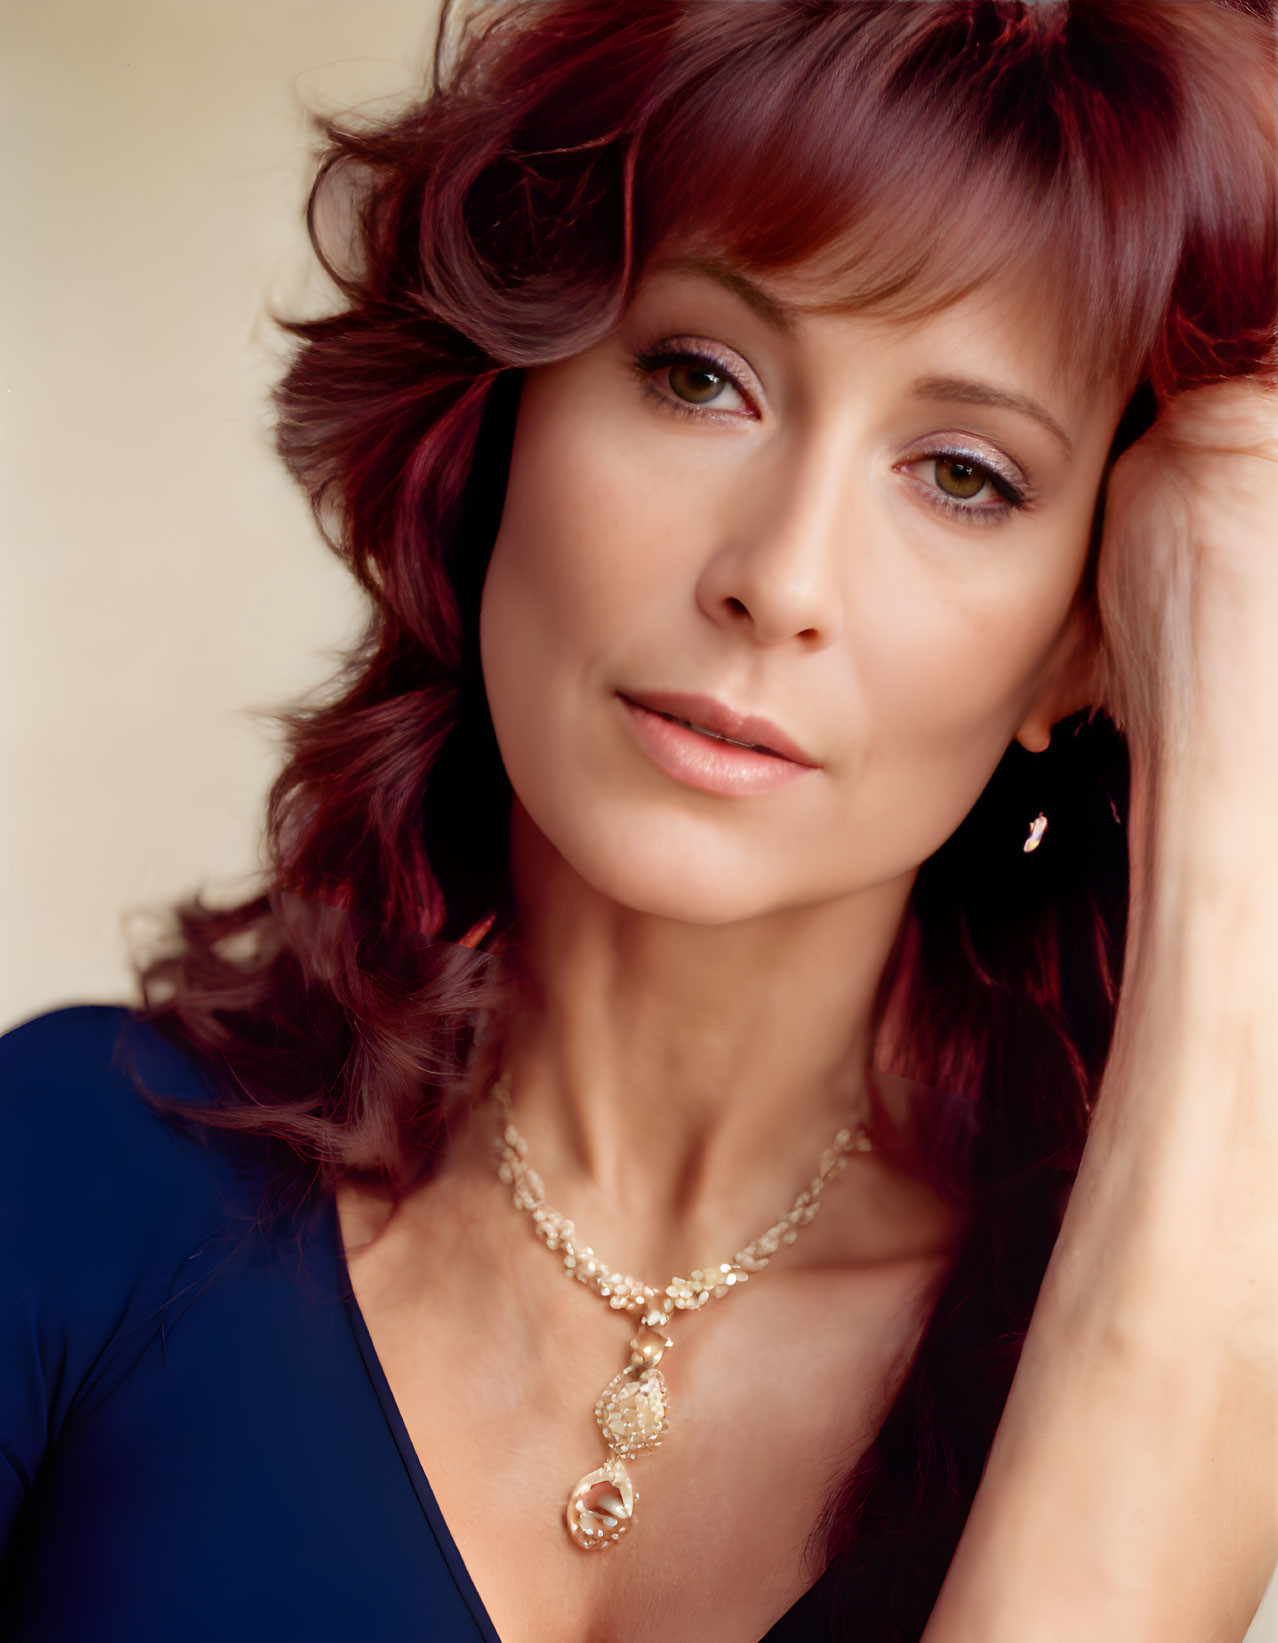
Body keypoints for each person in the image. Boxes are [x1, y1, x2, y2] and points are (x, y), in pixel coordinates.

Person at [2, 1, 1275, 1639]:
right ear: (504, 415)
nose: (779, 578)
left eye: (963, 474)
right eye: (698, 375)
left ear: (1083, 639)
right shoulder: (72, 1175)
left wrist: (1237, 740)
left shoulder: (1130, 1366)